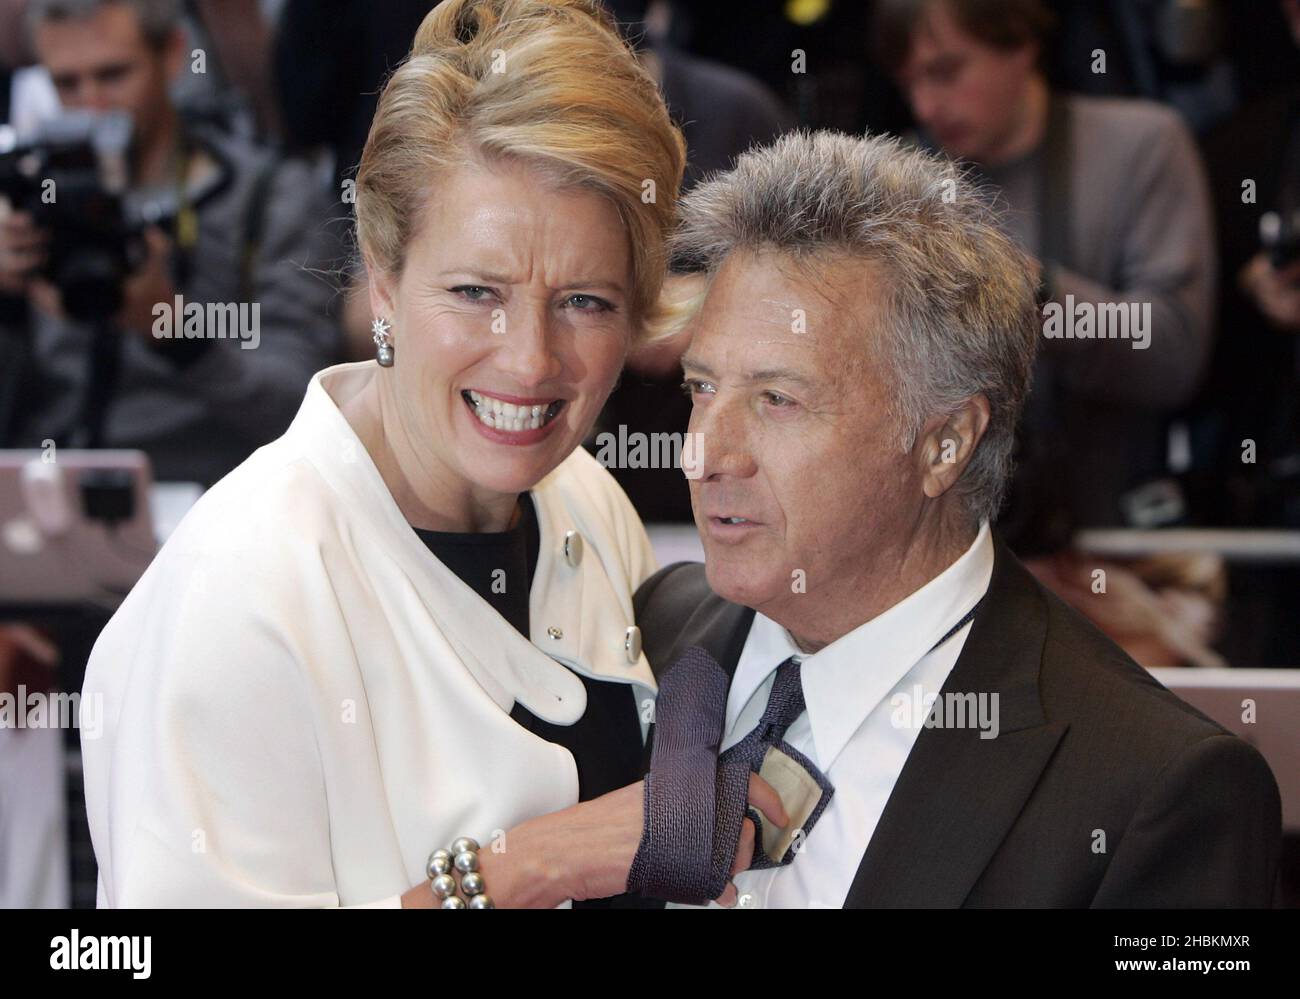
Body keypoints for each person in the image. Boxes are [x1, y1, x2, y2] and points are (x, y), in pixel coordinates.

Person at [80, 0, 778, 909]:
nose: (530, 359)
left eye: (586, 302)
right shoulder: (240, 596)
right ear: (382, 273)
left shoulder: (582, 499)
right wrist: (528, 869)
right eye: (476, 291)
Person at [634, 130, 1282, 907]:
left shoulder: (1155, 788)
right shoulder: (652, 632)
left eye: (778, 399)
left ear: (945, 444)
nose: (702, 455)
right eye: (702, 387)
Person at [873, 0, 1217, 547]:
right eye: (908, 82)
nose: (926, 105)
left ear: (1022, 40)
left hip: (1112, 545)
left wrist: (1033, 294)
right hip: (944, 548)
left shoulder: (1142, 145)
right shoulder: (896, 185)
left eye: (945, 71)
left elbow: (1173, 355)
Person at [0, 0, 341, 486]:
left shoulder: (270, 199)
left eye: (114, 75)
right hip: (42, 495)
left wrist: (175, 329)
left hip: (204, 501)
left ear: (173, 54)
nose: (92, 105)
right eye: (66, 84)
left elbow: (302, 407)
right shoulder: (29, 199)